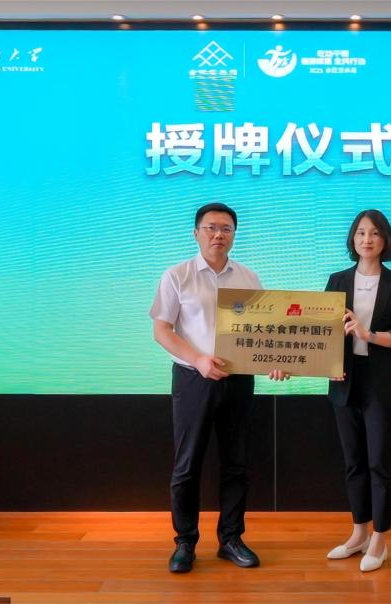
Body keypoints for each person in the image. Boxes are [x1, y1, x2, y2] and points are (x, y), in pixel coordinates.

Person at [150, 202, 287, 574]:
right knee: (187, 465)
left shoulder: (248, 277)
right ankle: (185, 543)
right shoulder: (177, 275)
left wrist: (276, 359)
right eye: (211, 227)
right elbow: (162, 330)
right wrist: (198, 359)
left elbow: (266, 332)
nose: (218, 235)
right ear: (196, 233)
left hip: (239, 379)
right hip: (193, 379)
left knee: (236, 463)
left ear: (234, 235)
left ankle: (231, 539)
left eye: (226, 229)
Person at [324, 209, 391, 572]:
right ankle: (359, 532)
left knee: (379, 462)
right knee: (354, 463)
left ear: (385, 240)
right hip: (344, 380)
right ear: (353, 238)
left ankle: (380, 538)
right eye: (361, 232)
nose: (367, 239)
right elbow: (321, 332)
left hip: (381, 381)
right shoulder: (337, 280)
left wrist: (369, 335)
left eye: (375, 233)